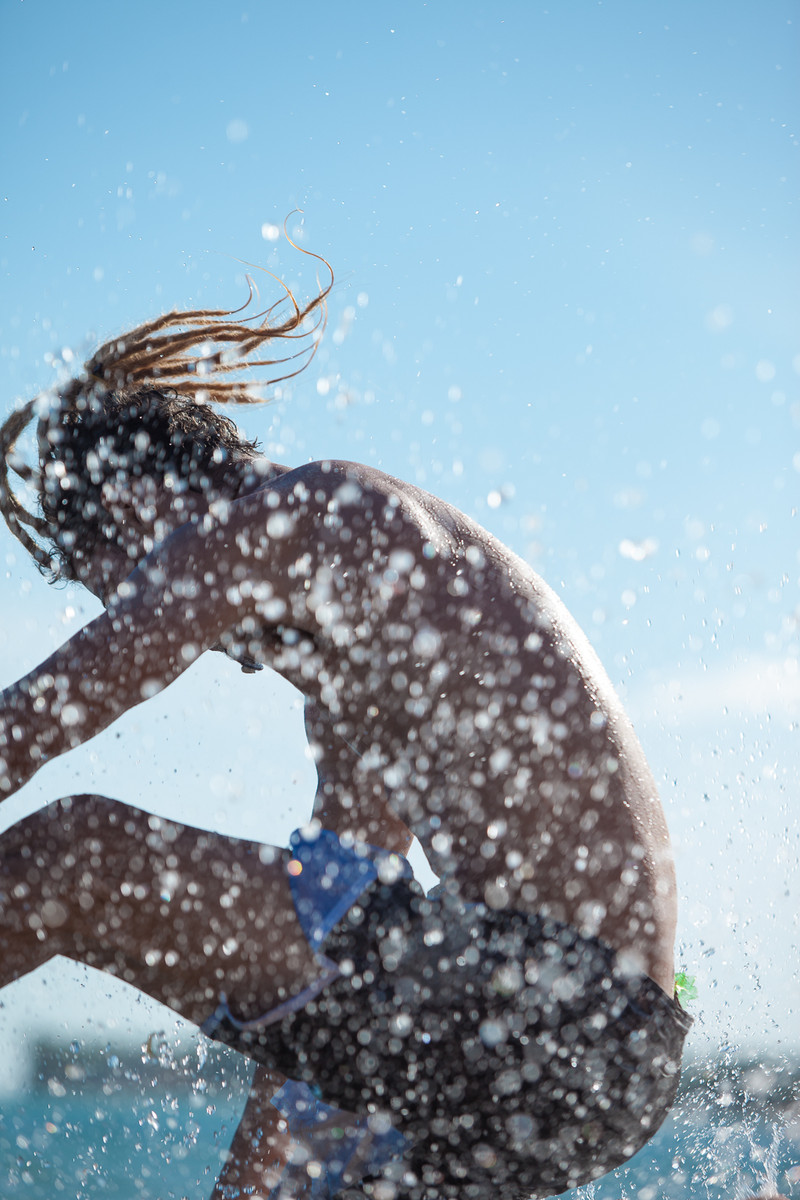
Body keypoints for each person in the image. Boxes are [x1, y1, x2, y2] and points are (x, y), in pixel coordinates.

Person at [0, 249, 692, 1200]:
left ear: (133, 501)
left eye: (115, 584)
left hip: (556, 1009)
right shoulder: (359, 643)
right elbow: (320, 987)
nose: (141, 612)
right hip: (585, 1067)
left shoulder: (298, 514)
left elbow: (38, 720)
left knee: (68, 856)